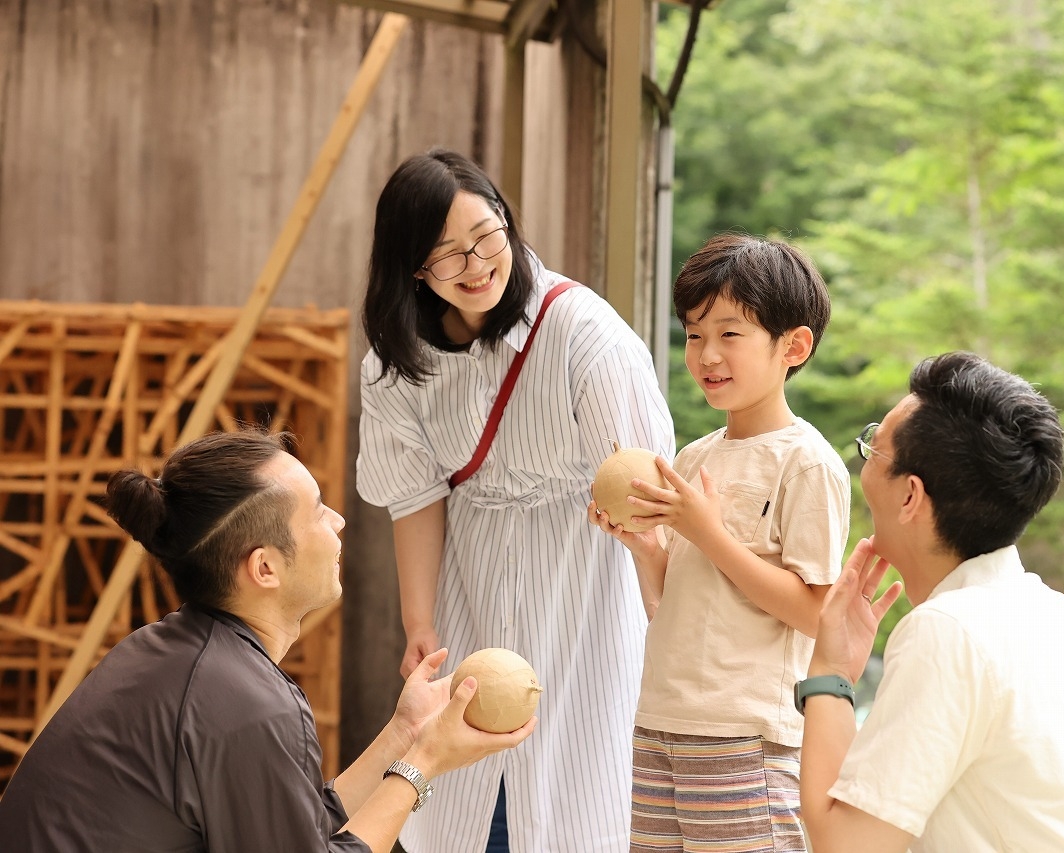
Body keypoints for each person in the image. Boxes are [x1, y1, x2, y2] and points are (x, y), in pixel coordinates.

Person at [0, 429, 534, 852]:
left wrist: (405, 733)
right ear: (265, 567)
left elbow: (301, 829)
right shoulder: (242, 703)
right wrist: (424, 763)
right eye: (319, 511)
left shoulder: (179, 656)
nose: (340, 522)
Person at [357, 149, 674, 853]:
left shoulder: (582, 333)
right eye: (447, 255)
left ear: (506, 219)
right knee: (469, 801)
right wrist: (420, 622)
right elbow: (413, 494)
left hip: (585, 593)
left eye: (486, 236)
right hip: (470, 591)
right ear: (413, 268)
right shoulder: (393, 357)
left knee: (578, 803)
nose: (476, 264)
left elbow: (645, 491)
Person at [798, 352, 1064, 852]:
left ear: (909, 497)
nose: (864, 468)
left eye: (871, 452)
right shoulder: (1056, 614)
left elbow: (846, 845)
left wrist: (829, 673)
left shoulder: (947, 630)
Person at [590, 234, 851, 852]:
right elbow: (670, 602)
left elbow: (815, 612)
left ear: (794, 346)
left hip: (745, 735)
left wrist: (705, 531)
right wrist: (644, 548)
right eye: (694, 334)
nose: (707, 354)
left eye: (730, 334)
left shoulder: (808, 463)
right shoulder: (693, 457)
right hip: (660, 723)